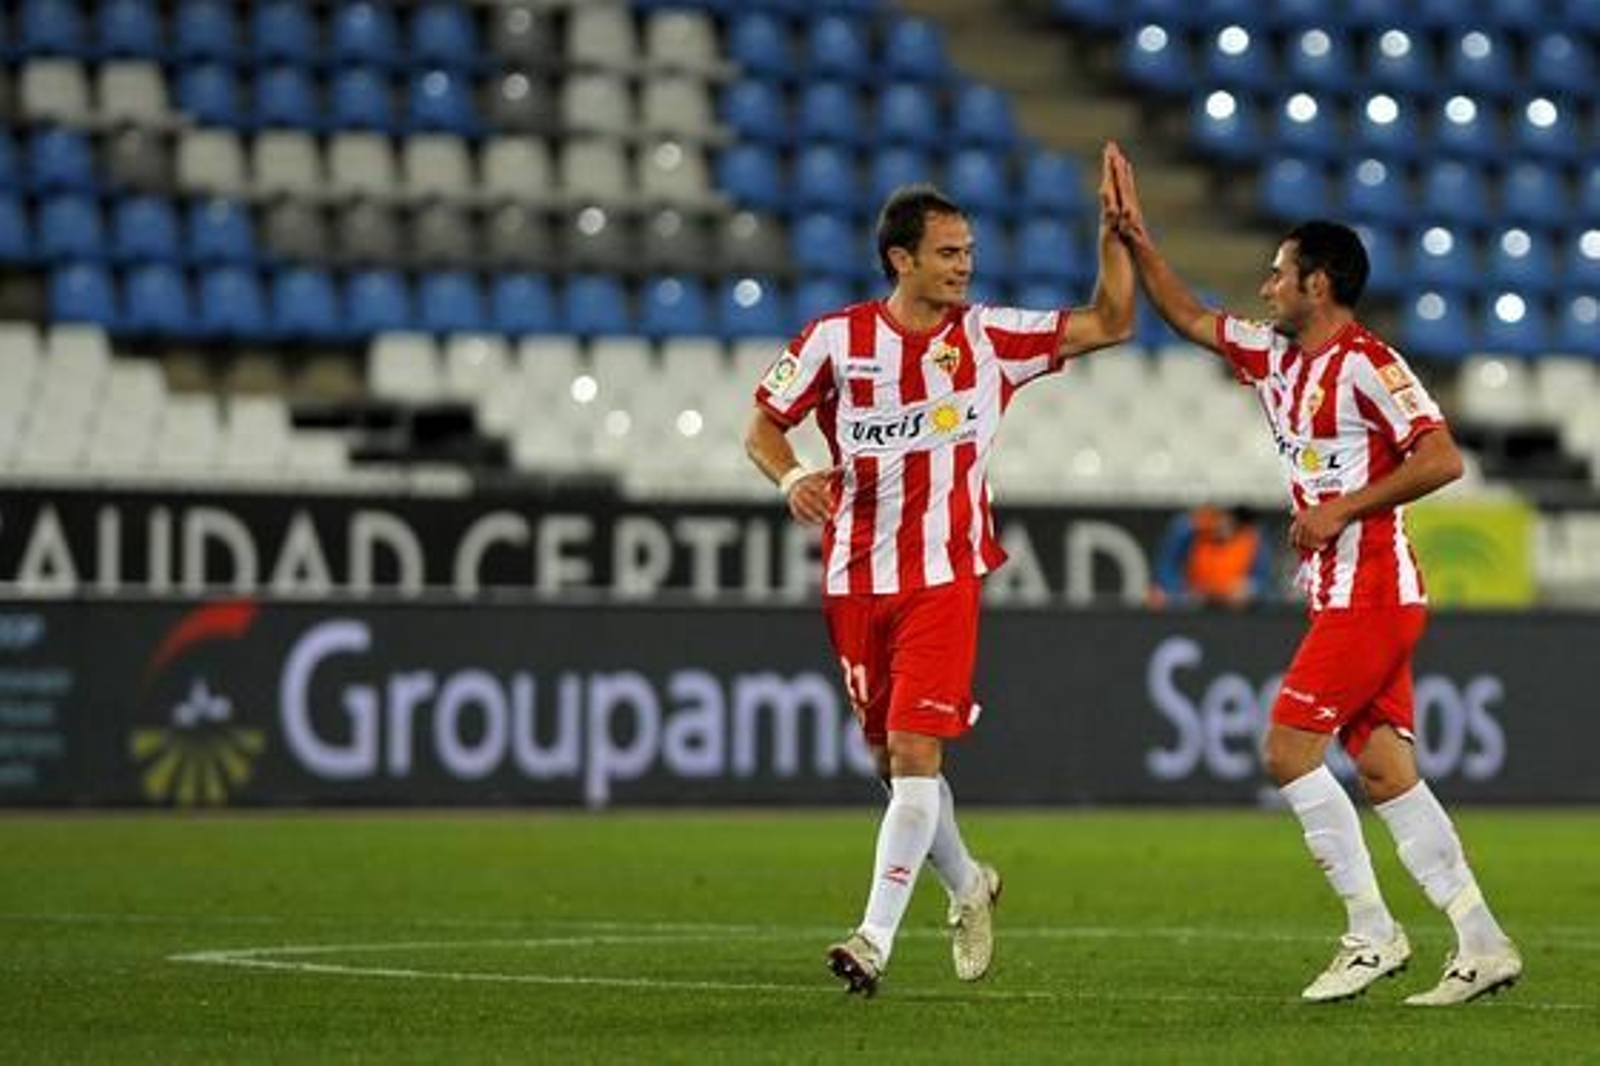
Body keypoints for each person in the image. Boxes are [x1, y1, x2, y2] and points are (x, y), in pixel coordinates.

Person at [1108, 153, 1521, 1006]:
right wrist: (1139, 241)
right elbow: (1188, 317)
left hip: (1374, 591)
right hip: (1341, 595)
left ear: (1318, 285)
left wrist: (1345, 509)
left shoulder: (1370, 362)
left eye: (1279, 275)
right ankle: (1482, 942)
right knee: (1383, 774)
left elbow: (1442, 456)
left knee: (1287, 749)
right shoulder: (1273, 358)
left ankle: (1371, 933)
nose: (1266, 288)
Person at [744, 144, 1136, 995]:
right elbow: (763, 426)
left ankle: (872, 940)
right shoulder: (835, 341)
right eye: (949, 253)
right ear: (902, 259)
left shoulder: (990, 338)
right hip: (854, 580)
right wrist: (794, 475)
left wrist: (1115, 242)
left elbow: (1110, 322)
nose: (965, 267)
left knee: (916, 752)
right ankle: (968, 884)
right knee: (892, 764)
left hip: (943, 575)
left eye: (969, 254)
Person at [1148, 503, 1272, 609]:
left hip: (1234, 611)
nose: (1223, 522)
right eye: (1218, 516)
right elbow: (1166, 574)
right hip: (1193, 605)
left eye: (1229, 517)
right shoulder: (1188, 533)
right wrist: (1177, 595)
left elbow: (1262, 583)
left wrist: (1251, 589)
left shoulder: (1253, 538)